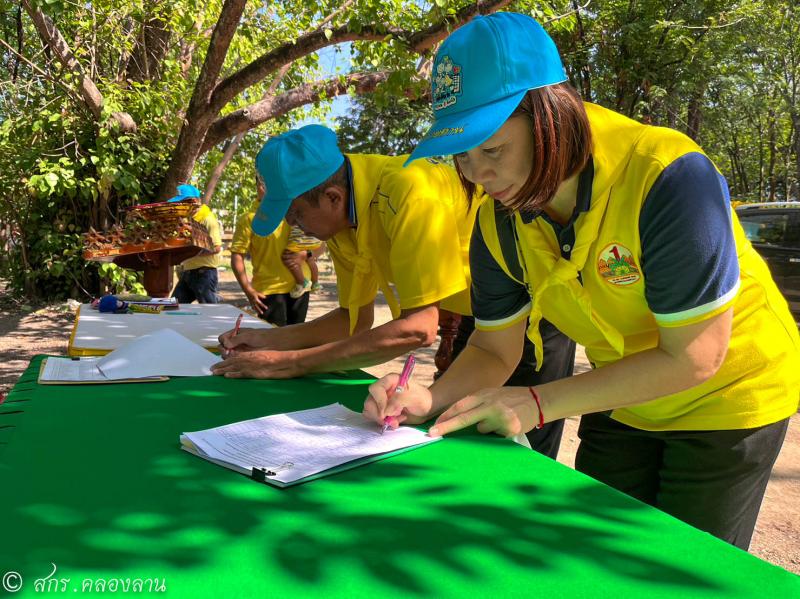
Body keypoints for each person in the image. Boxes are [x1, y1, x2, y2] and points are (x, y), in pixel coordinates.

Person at [364, 12, 800, 550]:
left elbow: (696, 356)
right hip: (623, 392)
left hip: (727, 397)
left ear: (551, 115)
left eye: (492, 149)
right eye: (462, 154)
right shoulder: (496, 220)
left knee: (679, 570)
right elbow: (494, 347)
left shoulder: (667, 175)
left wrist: (539, 402)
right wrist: (427, 398)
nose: (477, 175)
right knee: (594, 555)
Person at [212, 123, 577, 457]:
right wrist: (268, 342)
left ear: (334, 198)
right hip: (480, 323)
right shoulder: (340, 219)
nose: (297, 227)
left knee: (518, 449)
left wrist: (290, 364)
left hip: (533, 318)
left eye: (295, 216)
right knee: (459, 433)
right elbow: (352, 322)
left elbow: (418, 327)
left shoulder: (408, 189)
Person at [230, 175, 324, 326]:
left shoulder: (297, 212)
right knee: (273, 340)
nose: (267, 189)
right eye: (264, 184)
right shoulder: (249, 219)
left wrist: (306, 254)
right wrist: (248, 290)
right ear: (258, 188)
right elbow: (237, 255)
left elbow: (321, 243)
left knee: (295, 340)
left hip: (300, 288)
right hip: (268, 291)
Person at [170, 184, 222, 304]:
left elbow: (216, 247)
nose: (179, 206)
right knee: (174, 305)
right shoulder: (188, 219)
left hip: (204, 273)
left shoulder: (207, 219)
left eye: (182, 203)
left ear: (193, 201)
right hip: (188, 273)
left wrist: (191, 254)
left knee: (209, 310)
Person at [284, 224, 323, 297]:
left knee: (288, 258)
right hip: (313, 240)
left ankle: (302, 282)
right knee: (310, 259)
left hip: (300, 240)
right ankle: (315, 283)